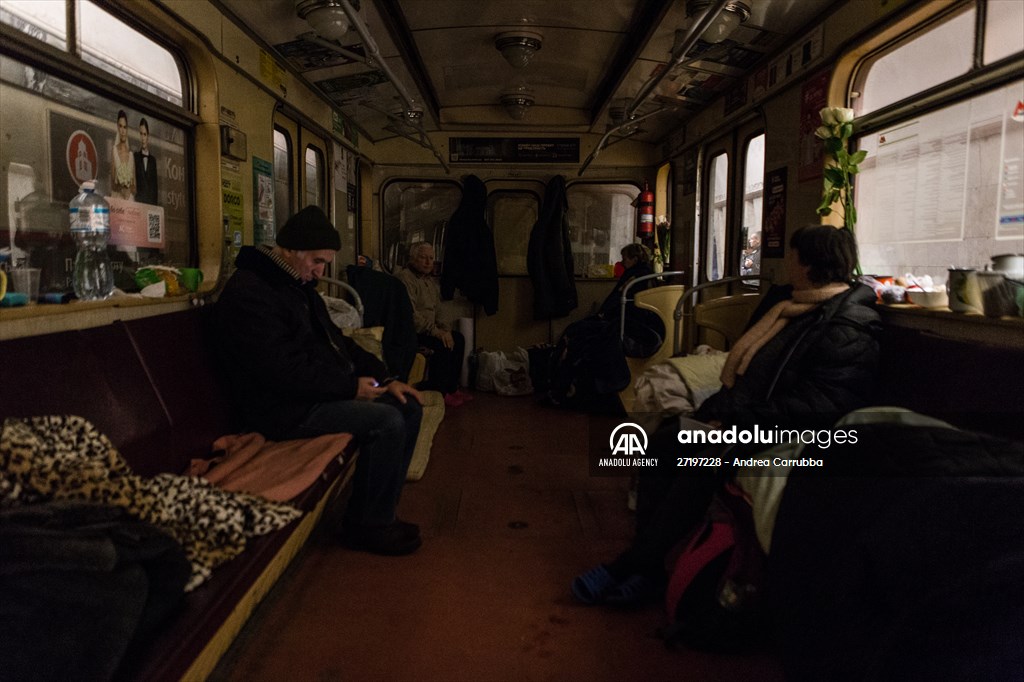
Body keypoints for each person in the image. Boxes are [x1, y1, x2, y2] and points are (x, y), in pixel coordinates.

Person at [572, 224, 881, 605]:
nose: (786, 262)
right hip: (753, 419)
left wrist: (736, 423)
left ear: (810, 263)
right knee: (663, 443)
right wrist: (716, 412)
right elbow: (752, 378)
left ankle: (633, 564)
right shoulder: (792, 305)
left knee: (702, 458)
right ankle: (649, 568)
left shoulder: (846, 327)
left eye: (792, 255)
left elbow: (819, 409)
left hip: (795, 434)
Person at [214, 205, 425, 556]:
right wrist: (350, 388)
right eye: (316, 261)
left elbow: (336, 343)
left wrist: (385, 377)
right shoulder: (251, 293)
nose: (320, 271)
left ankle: (379, 510)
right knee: (386, 421)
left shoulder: (296, 286)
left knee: (408, 405)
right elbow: (281, 370)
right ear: (291, 251)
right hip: (279, 409)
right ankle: (368, 526)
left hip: (310, 394)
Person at [546, 243, 663, 410]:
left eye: (625, 259)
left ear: (634, 259)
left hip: (625, 321)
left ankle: (562, 384)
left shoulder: (635, 278)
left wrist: (603, 315)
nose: (623, 263)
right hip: (625, 319)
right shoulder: (644, 276)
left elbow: (620, 303)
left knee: (577, 332)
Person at [395, 241, 470, 407]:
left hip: (430, 329)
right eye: (423, 258)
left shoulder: (430, 282)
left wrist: (445, 329)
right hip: (413, 330)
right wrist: (436, 332)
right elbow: (411, 315)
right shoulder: (405, 278)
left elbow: (439, 311)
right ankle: (440, 392)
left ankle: (451, 387)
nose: (429, 262)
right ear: (413, 258)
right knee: (441, 344)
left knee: (458, 338)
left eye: (431, 258)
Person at [110, 109, 136, 200]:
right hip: (118, 200)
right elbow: (112, 184)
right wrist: (121, 187)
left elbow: (134, 186)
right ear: (117, 127)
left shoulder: (131, 155)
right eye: (120, 126)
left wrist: (129, 189)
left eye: (125, 127)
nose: (122, 130)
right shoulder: (114, 151)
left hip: (129, 200)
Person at [134, 117, 158, 205]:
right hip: (138, 204)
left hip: (150, 204)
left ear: (148, 136)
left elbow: (155, 187)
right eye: (141, 134)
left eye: (144, 134)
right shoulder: (135, 156)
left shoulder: (153, 160)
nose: (143, 138)